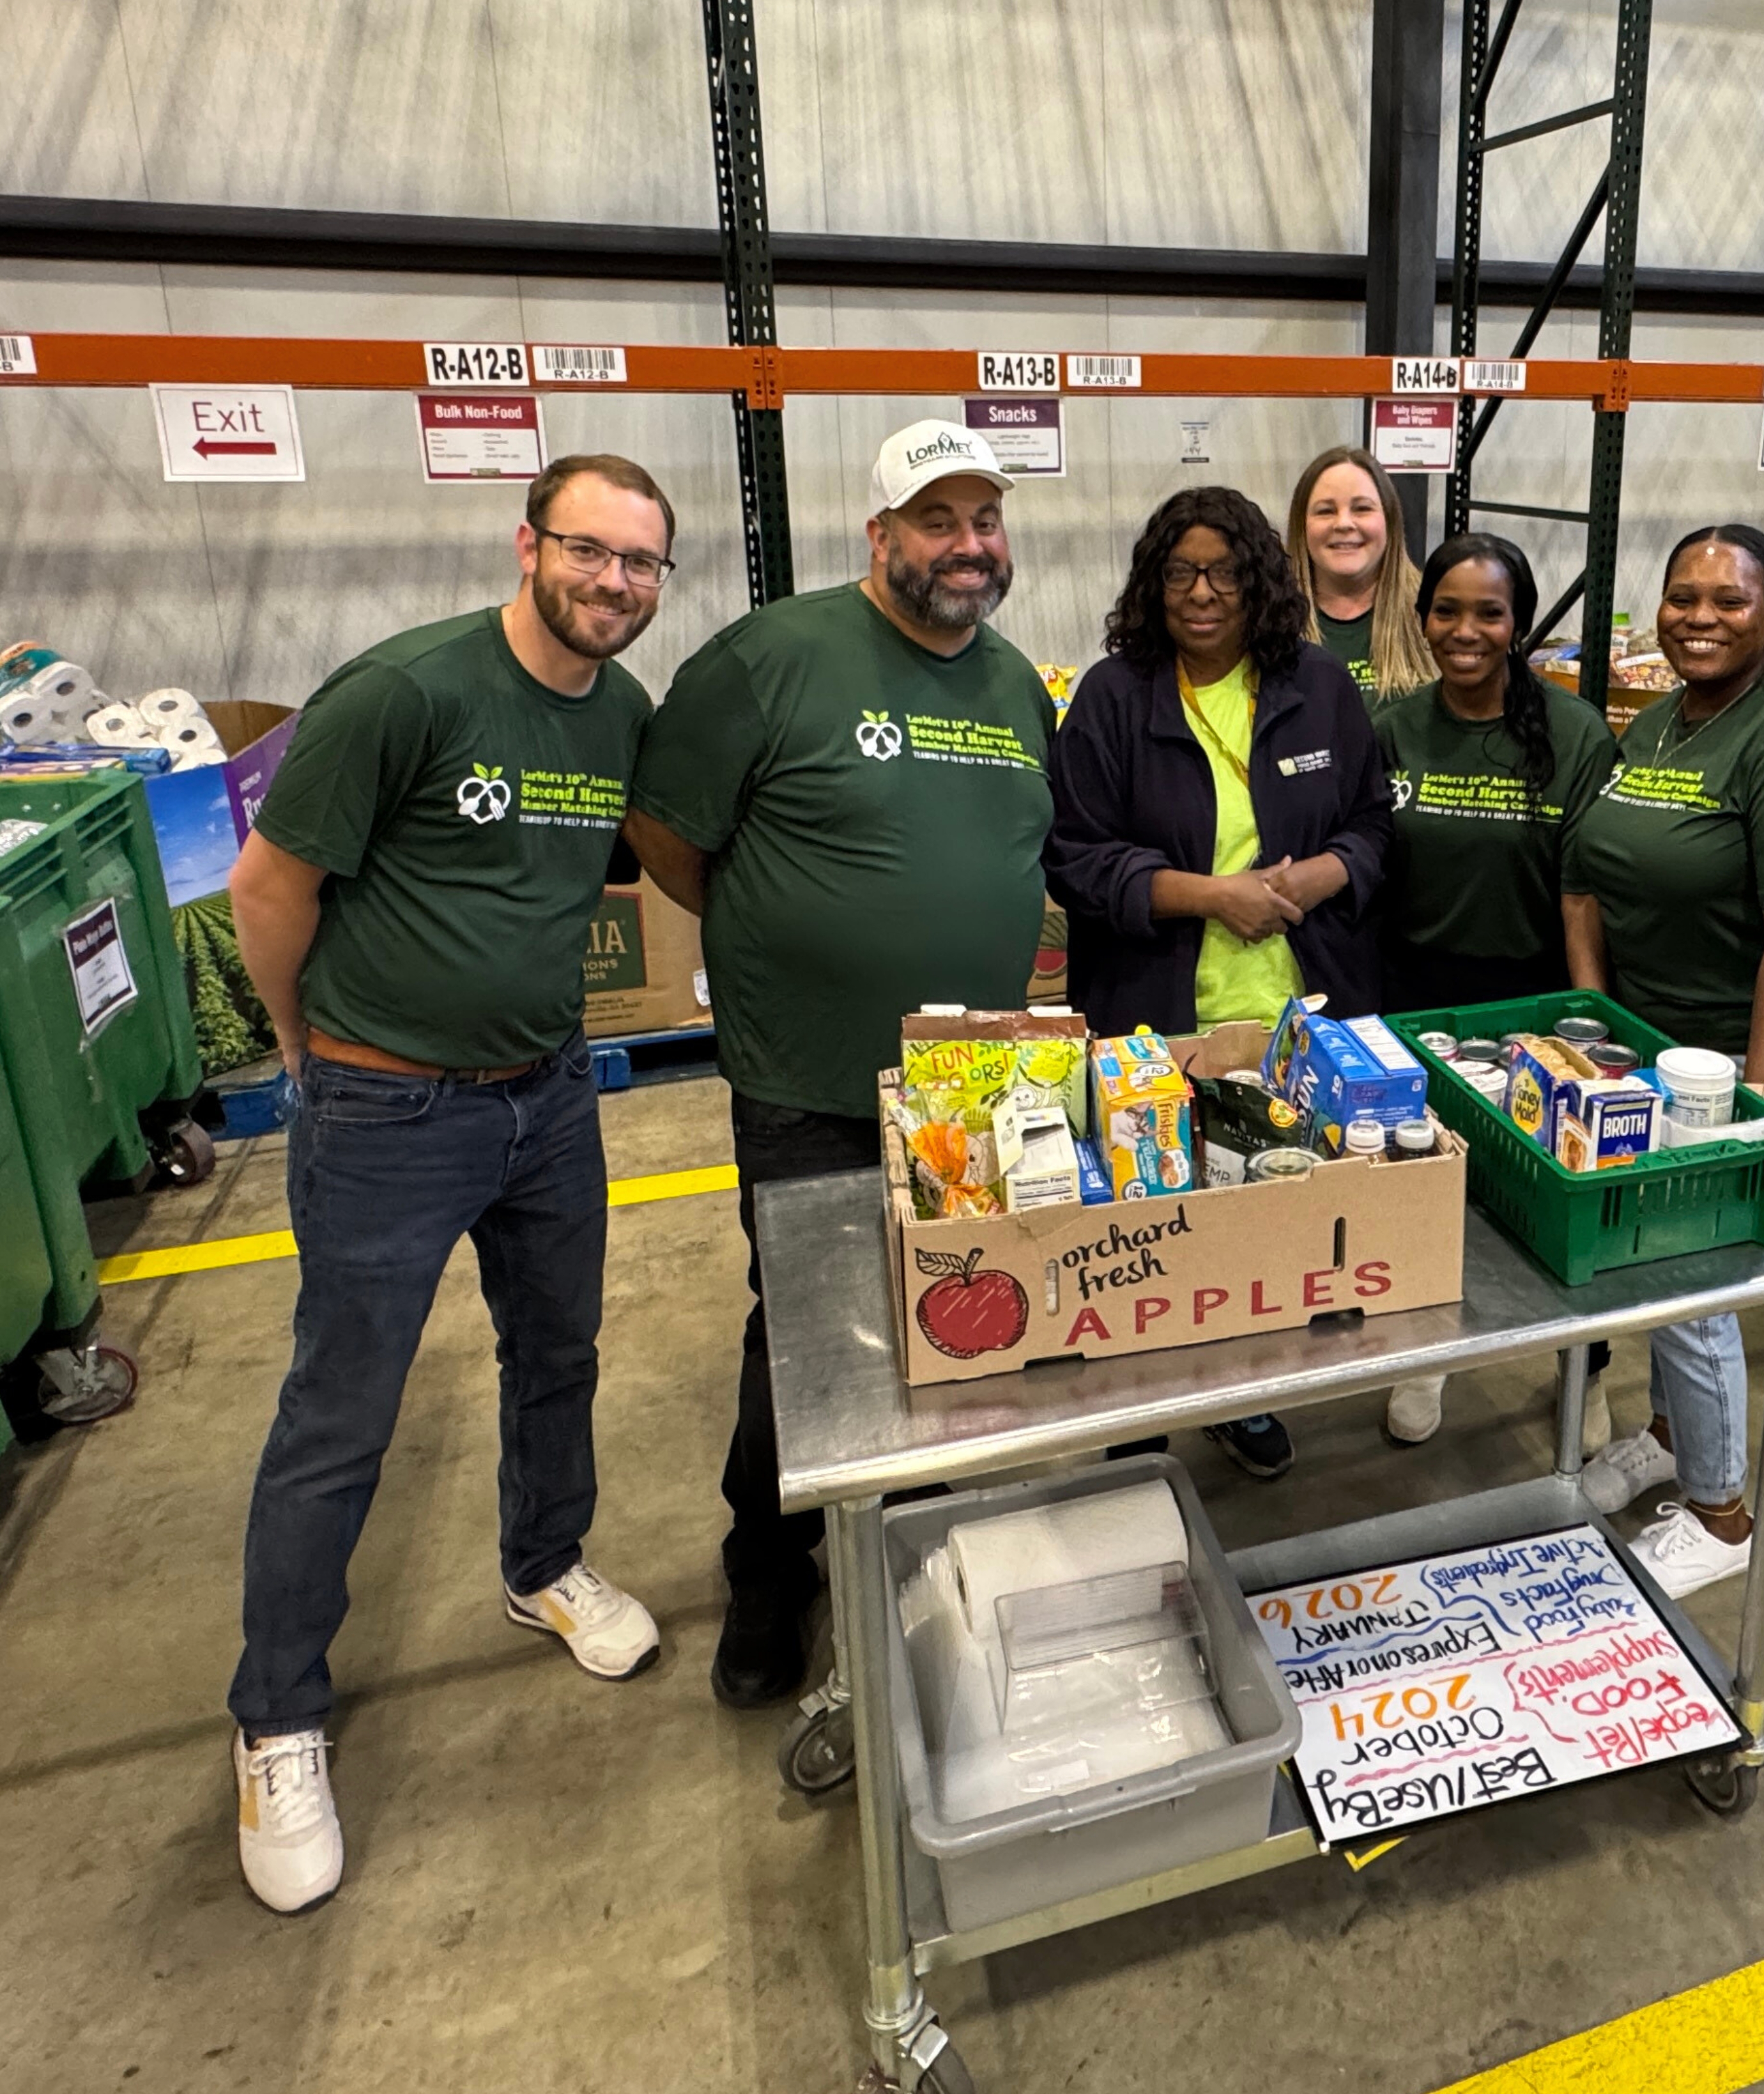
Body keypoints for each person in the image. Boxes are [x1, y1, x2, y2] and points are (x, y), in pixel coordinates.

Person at [224, 453, 676, 1914]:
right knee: (339, 1416)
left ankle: (544, 1565)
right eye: (591, 551)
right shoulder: (404, 692)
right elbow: (267, 889)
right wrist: (311, 1052)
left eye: (641, 565)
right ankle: (277, 1716)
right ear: (528, 543)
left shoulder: (620, 714)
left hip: (547, 1097)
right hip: (386, 1108)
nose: (615, 582)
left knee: (558, 1351)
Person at [627, 420, 1055, 1705]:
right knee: (809, 1336)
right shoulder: (773, 658)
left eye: (985, 521)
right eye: (939, 521)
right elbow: (665, 833)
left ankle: (912, 1537)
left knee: (948, 1311)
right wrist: (788, 943)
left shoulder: (1015, 684)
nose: (968, 546)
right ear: (880, 538)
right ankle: (770, 1564)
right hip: (809, 1074)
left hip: (963, 1084)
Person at [1047, 484, 1392, 1481]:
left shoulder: (1320, 688)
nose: (1202, 593)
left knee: (1265, 1224)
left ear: (1260, 584)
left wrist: (1323, 874)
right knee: (1152, 1220)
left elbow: (1373, 825)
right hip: (1156, 1015)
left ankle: (1244, 1395)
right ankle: (1139, 1419)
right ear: (1154, 585)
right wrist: (1210, 897)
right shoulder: (1115, 698)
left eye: (1226, 572)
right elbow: (1074, 856)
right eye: (1180, 572)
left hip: (1297, 1018)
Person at [1566, 525, 1764, 1599]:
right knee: (1650, 1258)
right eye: (1682, 595)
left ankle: (1722, 1510)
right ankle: (1667, 1432)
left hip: (1749, 1050)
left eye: (1729, 600)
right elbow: (1596, 870)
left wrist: (1761, 1096)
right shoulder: (1656, 723)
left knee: (1692, 1272)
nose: (1699, 615)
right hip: (1654, 1036)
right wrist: (1598, 1022)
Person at [1366, 535, 1615, 1449]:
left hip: (1536, 1009)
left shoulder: (1576, 733)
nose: (1465, 631)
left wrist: (1590, 1023)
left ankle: (1583, 1369)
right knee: (1429, 1200)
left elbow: (1586, 893)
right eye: (1447, 610)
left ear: (1518, 624)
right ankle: (1423, 1357)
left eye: (1489, 613)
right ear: (1423, 617)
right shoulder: (1393, 729)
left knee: (1554, 1213)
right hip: (1416, 1005)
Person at [1285, 443, 1435, 700]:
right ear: (1302, 526)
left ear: (1390, 520)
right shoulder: (1270, 617)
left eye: (1362, 508)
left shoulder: (1433, 609)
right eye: (1326, 511)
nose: (1344, 523)